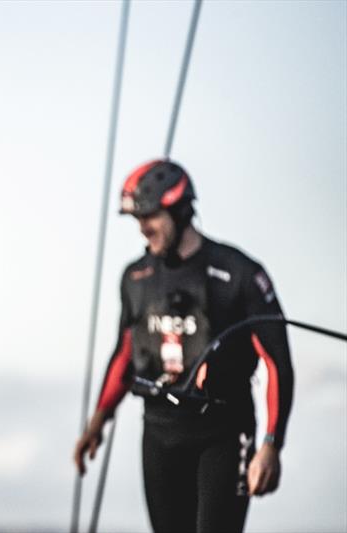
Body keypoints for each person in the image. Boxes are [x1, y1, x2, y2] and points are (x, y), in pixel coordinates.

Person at [74, 160, 294, 533]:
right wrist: (97, 421)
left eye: (150, 216)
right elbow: (125, 356)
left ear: (179, 209)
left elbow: (277, 363)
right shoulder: (135, 278)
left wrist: (271, 444)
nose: (143, 228)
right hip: (160, 434)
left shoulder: (239, 274)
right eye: (138, 219)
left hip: (224, 435)